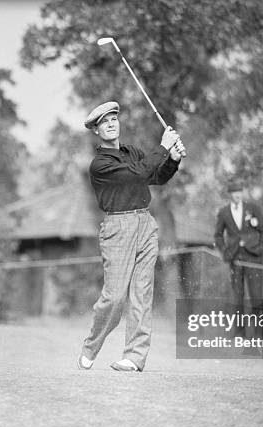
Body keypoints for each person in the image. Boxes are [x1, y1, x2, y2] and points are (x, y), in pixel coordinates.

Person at [77, 101, 186, 372]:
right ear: (96, 130)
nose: (112, 124)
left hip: (145, 223)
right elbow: (137, 173)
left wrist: (172, 159)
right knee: (114, 297)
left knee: (142, 292)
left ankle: (134, 357)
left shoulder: (132, 152)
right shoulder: (100, 164)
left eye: (114, 118)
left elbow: (155, 177)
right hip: (118, 228)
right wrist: (163, 147)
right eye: (105, 122)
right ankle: (92, 345)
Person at [214, 180, 263, 344]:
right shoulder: (223, 212)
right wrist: (225, 252)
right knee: (237, 296)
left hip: (253, 258)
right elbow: (217, 235)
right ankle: (239, 333)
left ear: (242, 193)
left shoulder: (253, 209)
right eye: (234, 192)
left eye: (239, 192)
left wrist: (259, 250)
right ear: (229, 194)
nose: (237, 195)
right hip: (235, 259)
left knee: (256, 296)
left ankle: (259, 334)